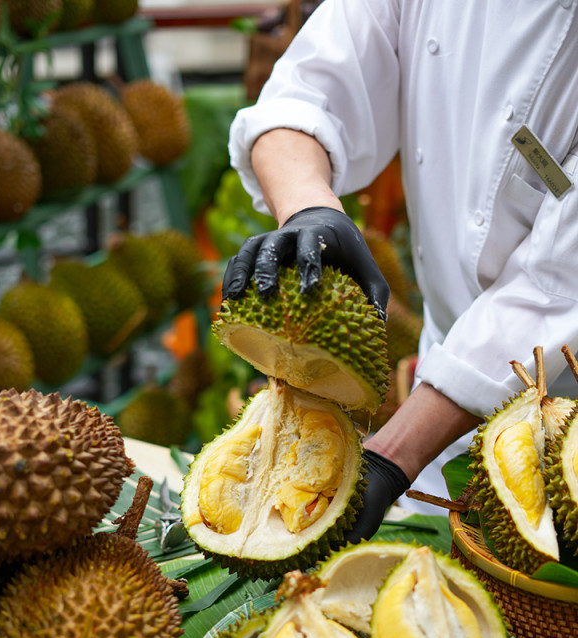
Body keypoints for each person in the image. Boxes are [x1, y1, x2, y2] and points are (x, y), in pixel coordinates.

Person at [223, 0, 578, 541]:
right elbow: (305, 94)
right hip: (438, 382)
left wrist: (391, 455)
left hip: (566, 423)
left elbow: (557, 287)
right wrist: (308, 206)